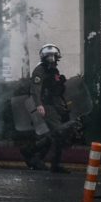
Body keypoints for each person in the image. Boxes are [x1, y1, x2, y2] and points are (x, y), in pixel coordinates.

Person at [20, 43, 71, 173]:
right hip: (46, 106)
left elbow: (56, 90)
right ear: (44, 57)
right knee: (59, 132)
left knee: (51, 135)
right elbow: (35, 89)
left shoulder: (54, 70)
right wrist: (39, 105)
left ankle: (33, 155)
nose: (51, 59)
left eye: (53, 56)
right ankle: (54, 164)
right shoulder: (40, 70)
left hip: (54, 106)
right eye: (48, 57)